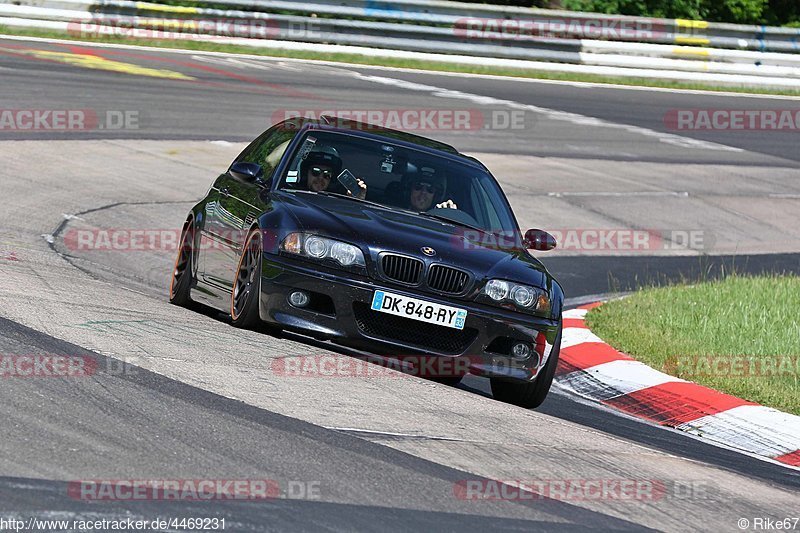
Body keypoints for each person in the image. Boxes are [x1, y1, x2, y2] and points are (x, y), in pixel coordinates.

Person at [300, 146, 366, 199]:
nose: (320, 178)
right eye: (315, 171)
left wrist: (357, 200)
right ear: (306, 172)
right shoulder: (293, 195)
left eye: (327, 174)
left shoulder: (337, 201)